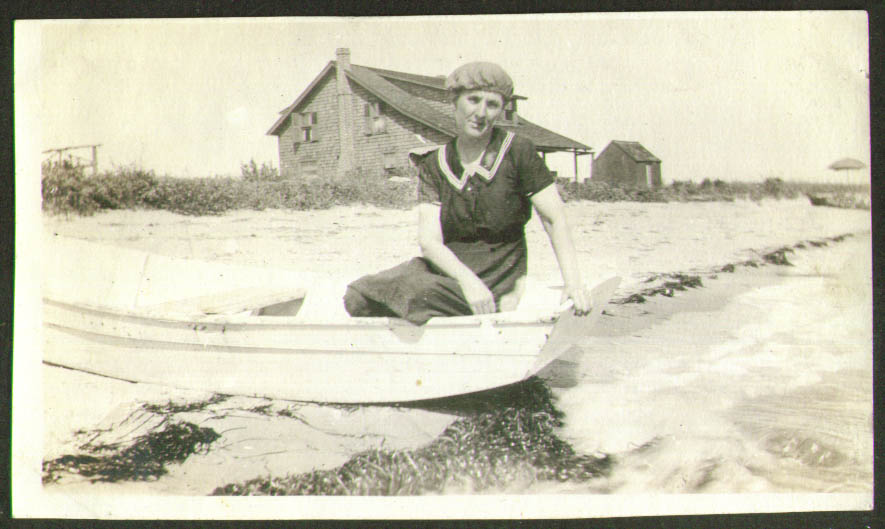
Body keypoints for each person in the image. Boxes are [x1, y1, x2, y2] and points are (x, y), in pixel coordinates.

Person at [343, 61, 591, 325]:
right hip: (450, 274)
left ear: (501, 110)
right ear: (455, 101)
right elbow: (430, 242)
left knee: (415, 293)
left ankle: (450, 324)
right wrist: (467, 282)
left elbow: (555, 219)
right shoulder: (434, 163)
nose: (481, 112)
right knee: (358, 296)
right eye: (473, 100)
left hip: (497, 278)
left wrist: (573, 283)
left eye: (492, 104)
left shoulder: (518, 152)